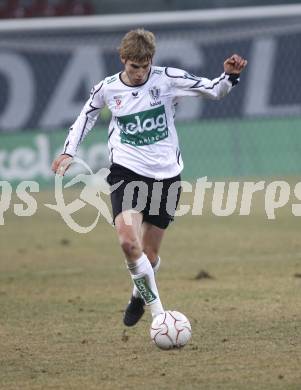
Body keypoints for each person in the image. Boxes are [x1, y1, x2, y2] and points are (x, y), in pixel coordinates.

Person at [51, 28, 247, 327]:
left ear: (151, 60)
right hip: (127, 172)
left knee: (150, 254)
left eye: (145, 66)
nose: (141, 72)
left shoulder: (167, 78)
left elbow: (214, 90)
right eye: (134, 66)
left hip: (167, 175)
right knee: (129, 244)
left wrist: (230, 76)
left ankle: (137, 295)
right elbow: (85, 118)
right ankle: (159, 315)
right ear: (123, 60)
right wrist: (68, 152)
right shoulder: (107, 88)